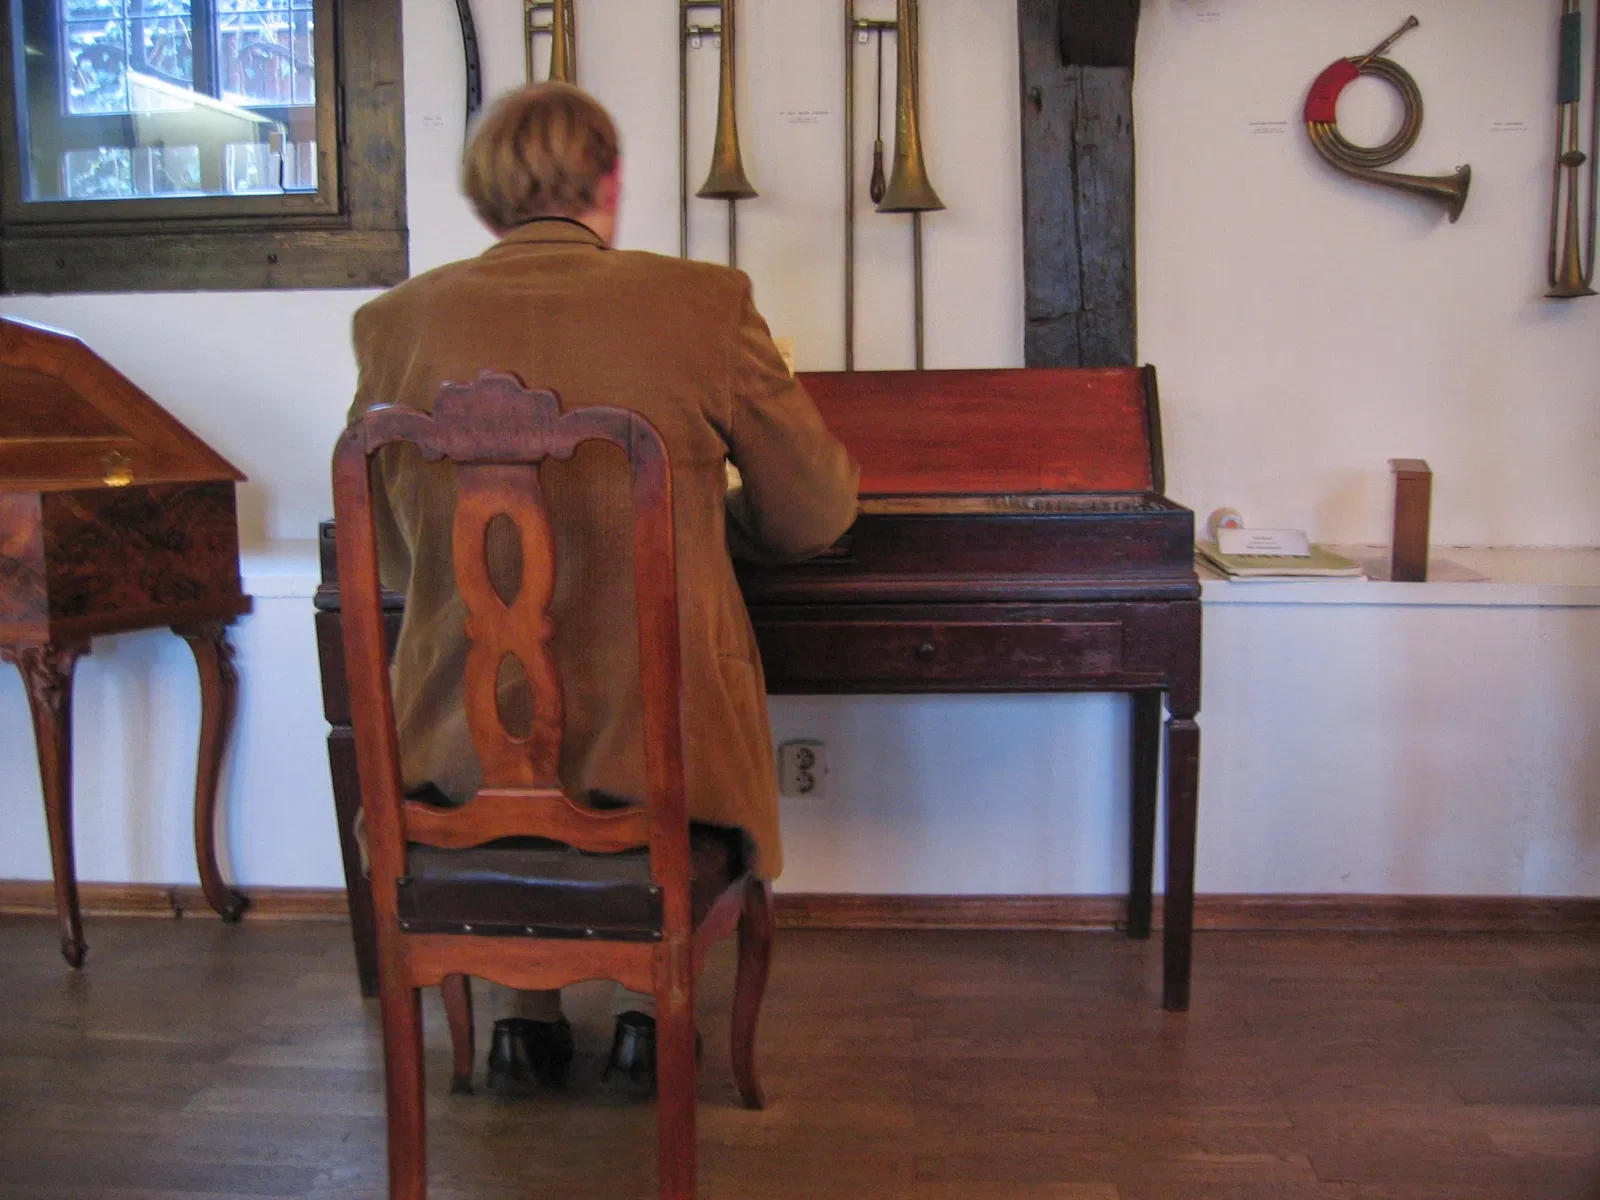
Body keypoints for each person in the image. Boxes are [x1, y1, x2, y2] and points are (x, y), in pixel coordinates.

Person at [347, 82, 859, 1092]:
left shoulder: (392, 323)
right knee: (655, 733)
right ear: (611, 182)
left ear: (483, 192)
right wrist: (705, 531)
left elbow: (396, 551)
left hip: (456, 767)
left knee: (495, 720)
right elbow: (813, 515)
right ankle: (643, 1021)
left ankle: (521, 1023)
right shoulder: (704, 304)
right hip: (665, 768)